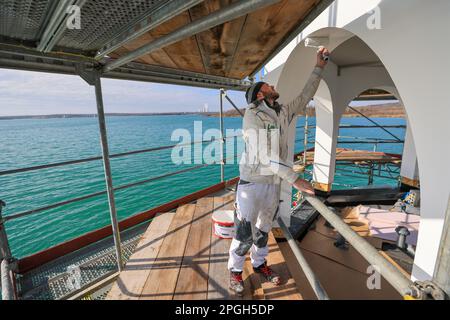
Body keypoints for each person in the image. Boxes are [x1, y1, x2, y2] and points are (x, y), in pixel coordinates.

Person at [228, 48, 330, 295]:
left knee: (263, 229)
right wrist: (295, 179)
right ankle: (235, 272)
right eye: (269, 85)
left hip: (273, 183)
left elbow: (306, 94)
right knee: (244, 232)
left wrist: (319, 67)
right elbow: (265, 155)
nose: (274, 86)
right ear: (262, 94)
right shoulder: (252, 116)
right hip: (252, 184)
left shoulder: (282, 111)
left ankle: (260, 264)